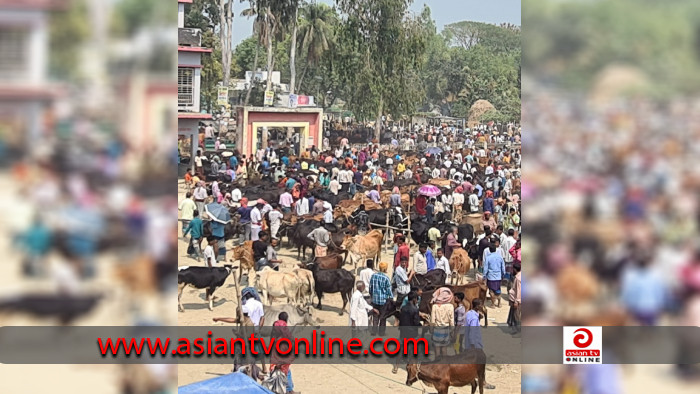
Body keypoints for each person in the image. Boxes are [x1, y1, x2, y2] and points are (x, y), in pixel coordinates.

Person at [393, 291, 422, 374]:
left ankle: (396, 366)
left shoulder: (403, 308)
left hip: (403, 331)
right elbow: (416, 322)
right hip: (412, 333)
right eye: (417, 299)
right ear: (414, 299)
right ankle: (409, 367)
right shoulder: (415, 309)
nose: (417, 301)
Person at [430, 287, 455, 359]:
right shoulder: (450, 306)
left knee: (437, 349)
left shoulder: (435, 306)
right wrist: (452, 331)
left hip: (437, 330)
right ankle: (444, 365)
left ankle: (437, 364)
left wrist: (431, 330)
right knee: (444, 349)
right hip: (446, 330)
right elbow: (452, 321)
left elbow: (432, 321)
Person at [369, 262, 392, 336]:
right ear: (385, 268)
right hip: (383, 301)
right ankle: (381, 333)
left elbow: (370, 288)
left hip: (375, 300)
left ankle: (374, 332)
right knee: (383, 317)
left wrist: (372, 295)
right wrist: (391, 298)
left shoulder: (373, 276)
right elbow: (389, 291)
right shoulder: (386, 278)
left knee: (375, 317)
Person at [483, 243, 506, 308]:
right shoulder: (500, 257)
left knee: (491, 290)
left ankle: (493, 304)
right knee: (498, 289)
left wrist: (484, 276)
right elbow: (503, 267)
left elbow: (485, 268)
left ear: (490, 250)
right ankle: (499, 303)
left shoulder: (488, 258)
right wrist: (503, 273)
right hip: (498, 276)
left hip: (491, 277)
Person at [507, 263, 522, 333]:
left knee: (516, 315)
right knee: (514, 314)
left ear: (515, 269)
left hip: (517, 300)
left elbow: (519, 291)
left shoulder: (518, 279)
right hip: (517, 299)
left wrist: (517, 301)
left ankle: (517, 330)